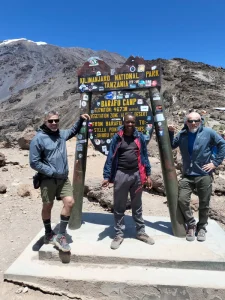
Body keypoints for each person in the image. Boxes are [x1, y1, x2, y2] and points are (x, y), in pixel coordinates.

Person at [30, 110, 90, 252]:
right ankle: (48, 232)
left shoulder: (61, 135)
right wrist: (52, 171)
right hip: (48, 179)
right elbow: (34, 162)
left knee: (70, 202)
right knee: (48, 206)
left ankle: (61, 235)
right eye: (51, 121)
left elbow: (73, 131)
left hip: (63, 179)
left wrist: (80, 120)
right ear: (45, 122)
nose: (54, 123)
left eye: (56, 120)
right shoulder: (38, 139)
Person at [168, 112, 225, 242]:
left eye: (196, 120)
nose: (193, 123)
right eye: (190, 121)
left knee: (204, 203)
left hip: (204, 174)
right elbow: (171, 145)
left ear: (201, 121)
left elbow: (222, 144)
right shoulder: (182, 134)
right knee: (182, 199)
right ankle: (191, 223)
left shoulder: (208, 132)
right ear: (186, 122)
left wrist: (215, 163)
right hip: (188, 174)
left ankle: (202, 227)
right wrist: (170, 133)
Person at [102, 113, 155, 250]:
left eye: (132, 122)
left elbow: (144, 156)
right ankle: (119, 234)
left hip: (137, 174)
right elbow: (110, 156)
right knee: (119, 206)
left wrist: (148, 175)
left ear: (135, 123)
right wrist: (107, 176)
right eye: (127, 122)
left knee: (137, 205)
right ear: (124, 122)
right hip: (121, 174)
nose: (130, 124)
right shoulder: (117, 137)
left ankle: (141, 232)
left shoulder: (139, 137)